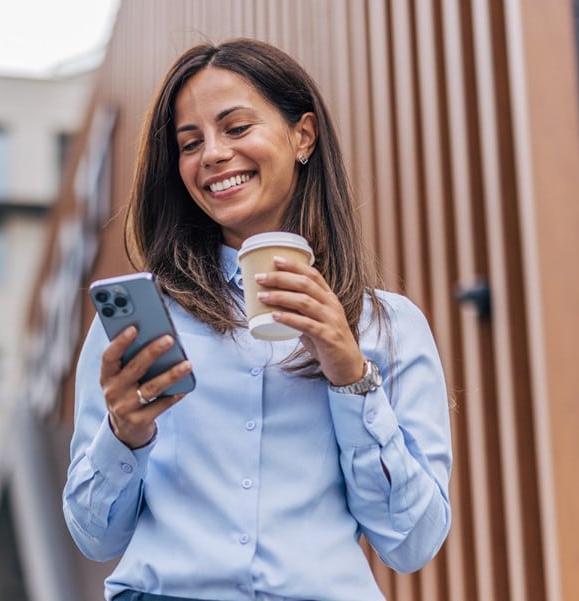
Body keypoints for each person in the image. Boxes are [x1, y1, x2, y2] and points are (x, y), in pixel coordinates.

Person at [63, 38, 452, 601]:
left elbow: (412, 542)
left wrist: (351, 376)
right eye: (190, 143)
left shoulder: (386, 325)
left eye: (236, 128)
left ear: (303, 135)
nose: (213, 155)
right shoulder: (146, 320)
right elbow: (93, 537)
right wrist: (125, 433)